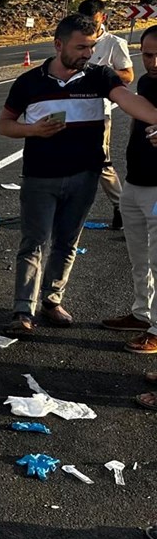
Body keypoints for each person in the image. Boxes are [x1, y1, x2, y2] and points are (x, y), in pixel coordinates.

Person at [0, 14, 157, 334]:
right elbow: (4, 125)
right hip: (40, 176)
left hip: (84, 176)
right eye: (81, 47)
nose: (89, 54)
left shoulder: (99, 76)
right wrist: (34, 130)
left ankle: (52, 301)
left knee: (67, 242)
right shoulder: (30, 82)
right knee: (34, 242)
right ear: (58, 45)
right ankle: (22, 311)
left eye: (92, 47)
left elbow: (128, 102)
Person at [104, 27, 157, 360]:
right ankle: (141, 313)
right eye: (147, 54)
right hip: (136, 181)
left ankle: (156, 332)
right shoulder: (148, 83)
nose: (153, 61)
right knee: (139, 258)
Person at [78, 0, 133, 230]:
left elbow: (129, 76)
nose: (87, 26)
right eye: (83, 22)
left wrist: (102, 73)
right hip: (69, 108)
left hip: (98, 112)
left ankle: (121, 206)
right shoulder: (75, 39)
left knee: (100, 162)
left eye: (92, 22)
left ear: (103, 18)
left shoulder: (114, 43)